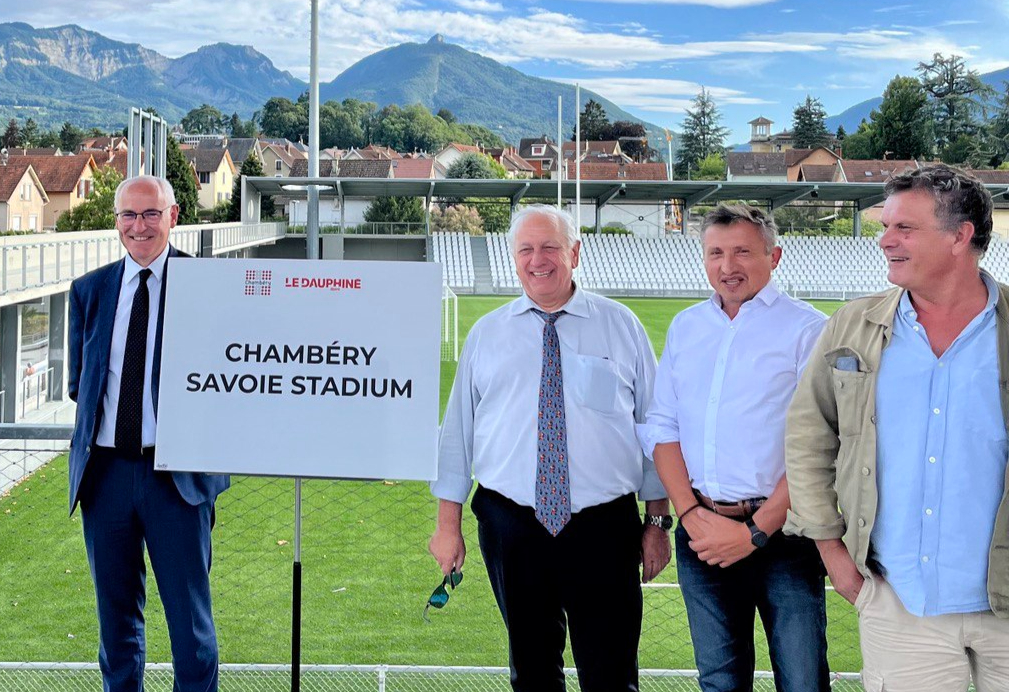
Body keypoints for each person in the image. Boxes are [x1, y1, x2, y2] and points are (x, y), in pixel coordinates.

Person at [786, 163, 1009, 692]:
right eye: (886, 226)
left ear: (960, 236)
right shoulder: (853, 325)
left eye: (904, 228)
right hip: (898, 601)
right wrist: (832, 554)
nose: (884, 240)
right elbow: (807, 437)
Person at [430, 204, 671, 692]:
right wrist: (447, 526)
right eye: (526, 249)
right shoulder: (487, 334)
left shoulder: (621, 326)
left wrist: (657, 523)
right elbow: (457, 433)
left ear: (574, 253)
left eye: (549, 248)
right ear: (513, 257)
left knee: (611, 676)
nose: (537, 260)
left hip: (604, 528)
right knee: (533, 673)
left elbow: (654, 429)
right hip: (511, 524)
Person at [642, 204, 829, 692]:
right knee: (720, 681)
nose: (728, 266)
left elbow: (820, 445)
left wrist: (755, 532)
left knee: (803, 679)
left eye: (743, 252)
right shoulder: (686, 327)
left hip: (783, 537)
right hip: (701, 531)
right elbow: (663, 427)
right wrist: (689, 514)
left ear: (774, 256)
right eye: (716, 253)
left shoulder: (807, 329)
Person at [67, 175, 229, 692]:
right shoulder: (88, 291)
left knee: (191, 631)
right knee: (116, 630)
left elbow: (230, 377)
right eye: (128, 215)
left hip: (176, 477)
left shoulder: (207, 286)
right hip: (106, 476)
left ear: (173, 217)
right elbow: (80, 385)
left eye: (150, 214)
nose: (139, 226)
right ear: (116, 221)